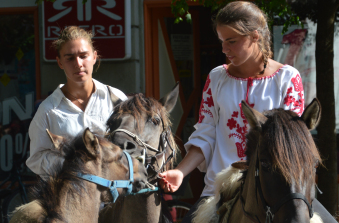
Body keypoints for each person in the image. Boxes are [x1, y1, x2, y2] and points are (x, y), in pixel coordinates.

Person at [159, 1, 306, 221]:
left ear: (255, 36)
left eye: (232, 41)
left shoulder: (288, 78)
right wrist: (180, 171)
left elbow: (290, 144)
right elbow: (206, 133)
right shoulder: (216, 77)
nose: (224, 49)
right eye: (221, 41)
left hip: (273, 196)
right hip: (218, 193)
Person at [26, 26, 127, 178]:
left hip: (115, 197)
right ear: (60, 62)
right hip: (71, 198)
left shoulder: (116, 99)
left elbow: (133, 146)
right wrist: (72, 164)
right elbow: (35, 159)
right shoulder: (48, 110)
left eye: (83, 55)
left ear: (94, 57)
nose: (78, 63)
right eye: (70, 58)